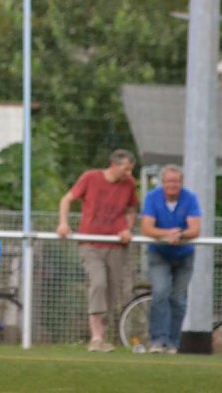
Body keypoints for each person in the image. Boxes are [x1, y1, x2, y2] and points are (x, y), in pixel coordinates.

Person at [56, 148, 139, 353]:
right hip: (91, 243)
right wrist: (63, 224)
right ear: (114, 165)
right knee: (98, 283)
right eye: (126, 169)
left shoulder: (128, 184)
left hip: (116, 245)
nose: (129, 174)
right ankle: (95, 337)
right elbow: (66, 200)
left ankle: (101, 338)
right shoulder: (90, 177)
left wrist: (127, 228)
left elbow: (132, 208)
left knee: (112, 290)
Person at [141, 164, 202, 354]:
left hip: (184, 254)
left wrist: (180, 234)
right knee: (160, 293)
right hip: (159, 252)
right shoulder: (152, 197)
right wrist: (168, 234)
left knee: (178, 299)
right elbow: (147, 228)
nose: (172, 185)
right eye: (168, 181)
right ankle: (158, 341)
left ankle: (173, 343)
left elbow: (195, 229)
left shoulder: (190, 198)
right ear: (162, 182)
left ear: (181, 183)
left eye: (176, 181)